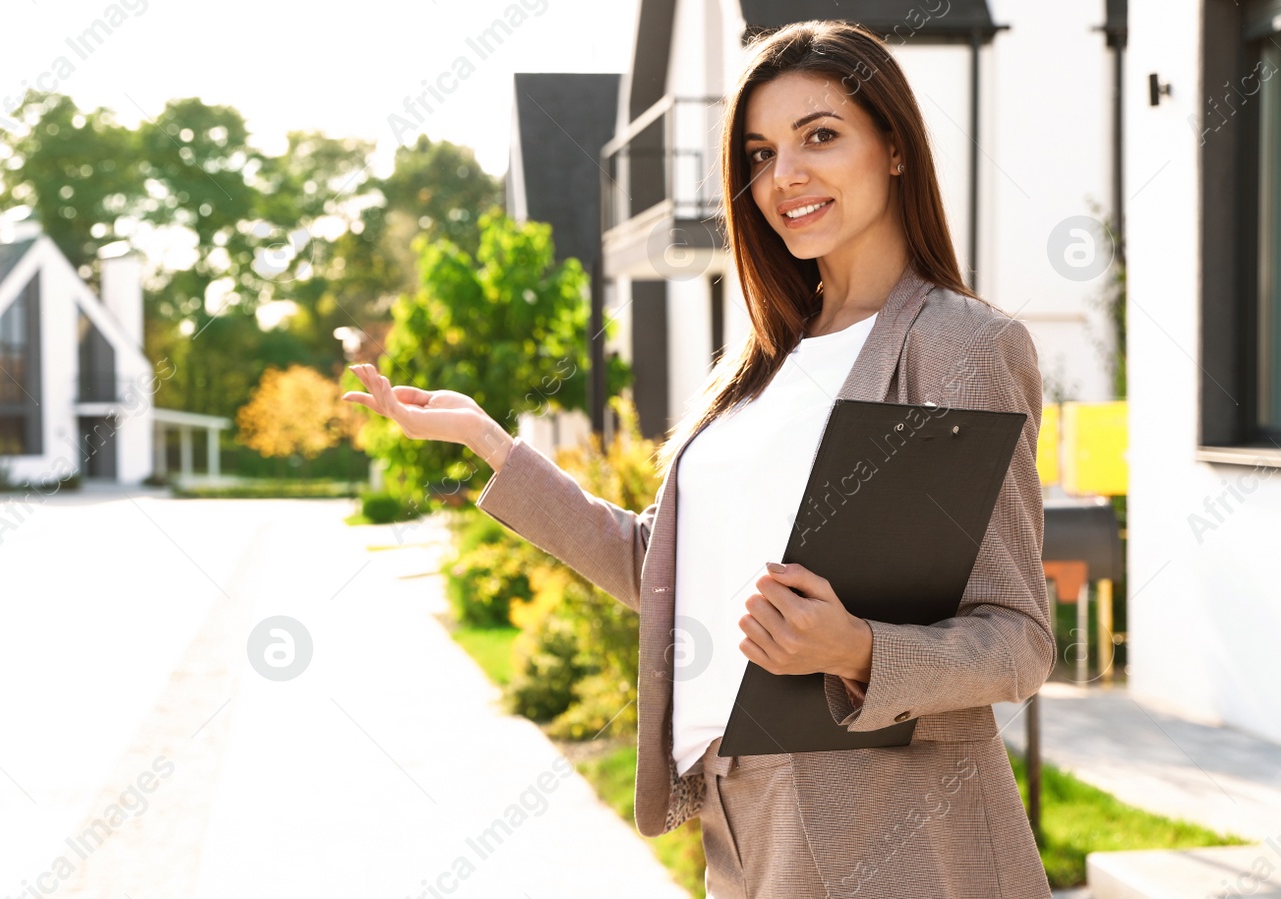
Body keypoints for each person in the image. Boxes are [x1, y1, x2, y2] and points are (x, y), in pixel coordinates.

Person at [343, 19, 1054, 899]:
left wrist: (861, 649)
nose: (784, 175)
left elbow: (1018, 640)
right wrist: (490, 443)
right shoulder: (758, 364)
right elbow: (663, 570)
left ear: (896, 148)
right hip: (738, 812)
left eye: (820, 136)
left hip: (886, 822)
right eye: (759, 152)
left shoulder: (960, 347)